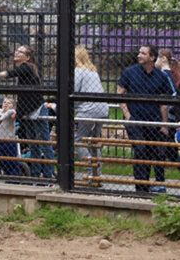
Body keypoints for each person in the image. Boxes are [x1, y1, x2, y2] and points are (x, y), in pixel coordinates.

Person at [0, 44, 54, 179]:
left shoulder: (27, 67)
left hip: (38, 110)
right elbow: (23, 97)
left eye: (20, 52)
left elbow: (12, 73)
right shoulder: (23, 70)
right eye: (16, 50)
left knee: (44, 144)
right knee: (33, 145)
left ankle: (48, 176)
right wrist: (20, 112)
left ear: (27, 57)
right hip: (28, 112)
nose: (16, 53)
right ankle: (35, 176)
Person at [117, 44, 173, 193]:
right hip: (135, 120)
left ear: (152, 57)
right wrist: (128, 116)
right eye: (139, 52)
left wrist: (164, 124)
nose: (138, 55)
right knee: (140, 150)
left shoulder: (161, 76)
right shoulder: (130, 72)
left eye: (143, 53)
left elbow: (164, 103)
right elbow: (119, 94)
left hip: (153, 121)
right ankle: (140, 187)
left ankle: (145, 186)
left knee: (150, 152)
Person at [72, 46, 108, 178]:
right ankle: (96, 174)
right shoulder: (92, 71)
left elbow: (73, 92)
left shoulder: (78, 71)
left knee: (78, 140)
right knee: (94, 143)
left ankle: (90, 169)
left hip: (88, 110)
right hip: (101, 109)